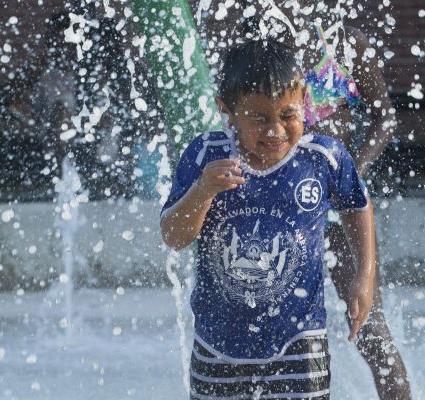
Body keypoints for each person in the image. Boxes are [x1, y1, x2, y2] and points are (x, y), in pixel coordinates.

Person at [161, 38, 375, 399]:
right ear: (226, 110)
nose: (276, 131)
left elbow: (358, 206)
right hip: (217, 342)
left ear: (304, 99)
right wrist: (202, 191)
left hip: (300, 340)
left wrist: (364, 275)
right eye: (259, 119)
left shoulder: (322, 157)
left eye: (288, 115)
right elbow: (174, 236)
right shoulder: (206, 156)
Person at [231, 4, 412, 399]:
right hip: (279, 206)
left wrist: (353, 170)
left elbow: (386, 117)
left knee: (370, 328)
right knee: (261, 320)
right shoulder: (261, 44)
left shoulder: (346, 44)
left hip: (333, 206)